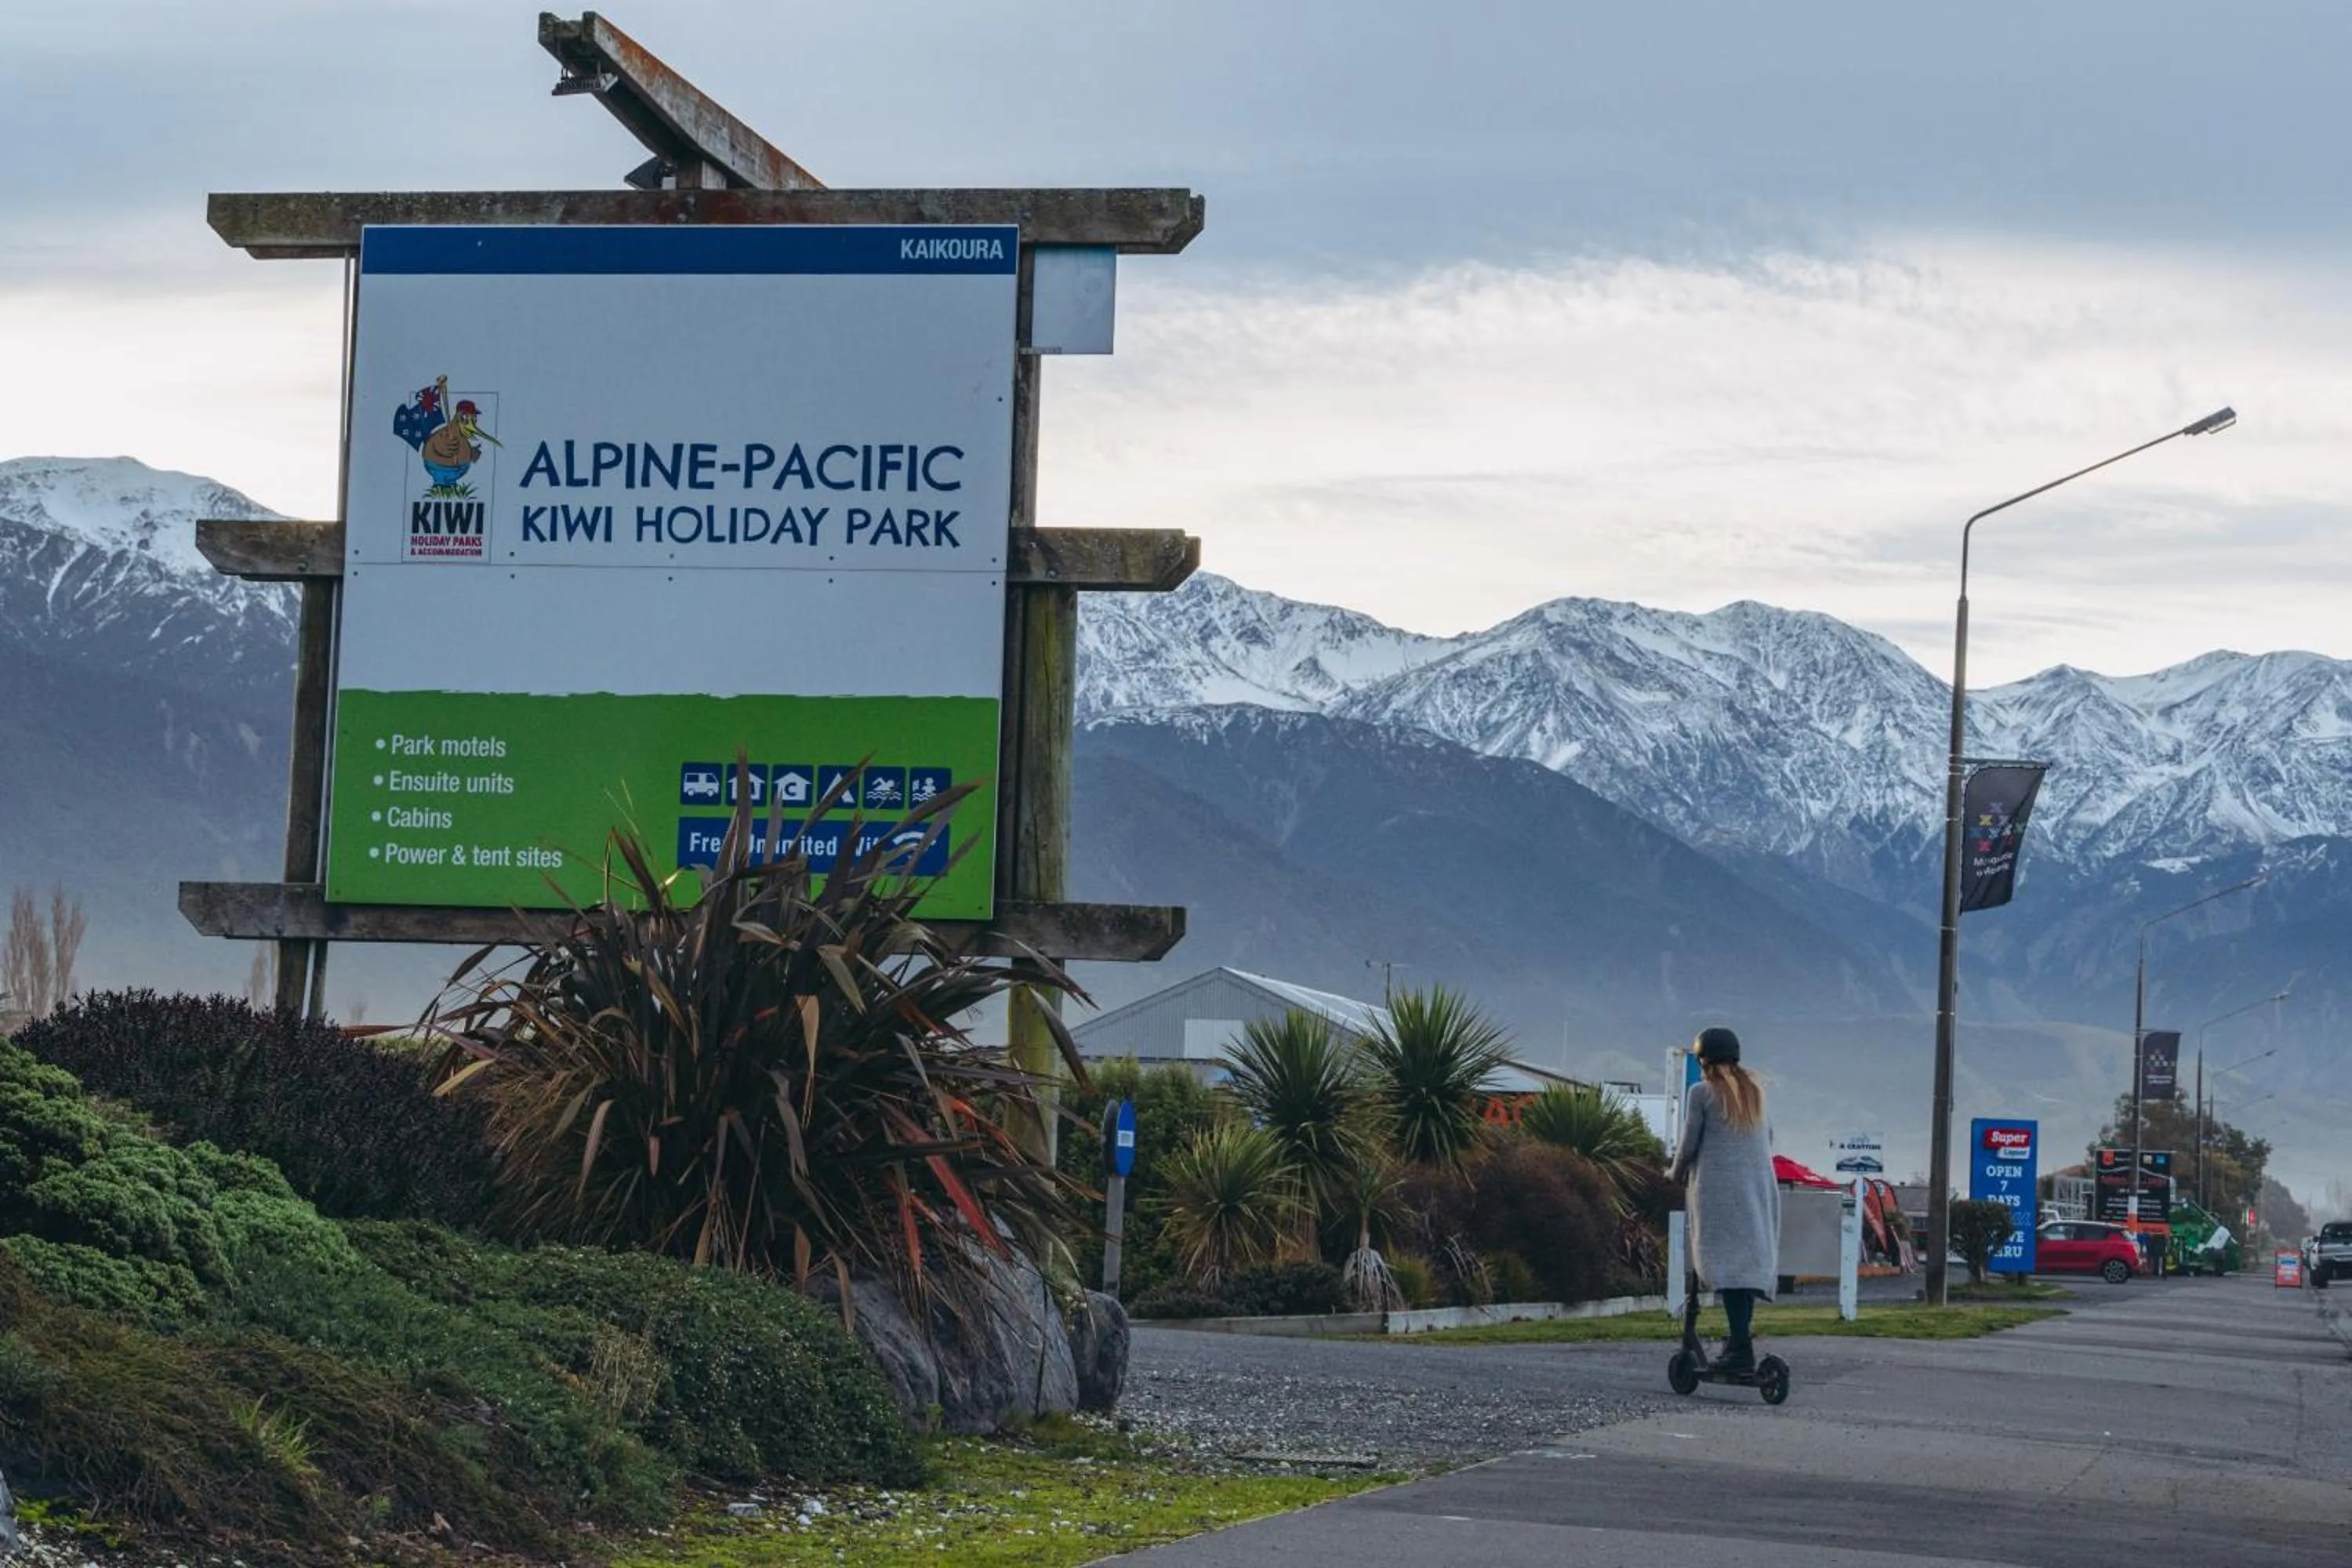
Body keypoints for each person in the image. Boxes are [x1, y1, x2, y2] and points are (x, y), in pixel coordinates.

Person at [1668, 1025, 1781, 1373]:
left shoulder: (1701, 1093)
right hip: (1758, 1191)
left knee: (1728, 1269)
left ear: (1703, 1060)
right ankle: (1738, 1339)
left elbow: (1689, 1143)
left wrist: (1674, 1173)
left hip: (1718, 1194)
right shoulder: (1756, 1094)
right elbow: (1770, 1137)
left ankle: (1740, 1348)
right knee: (1745, 1270)